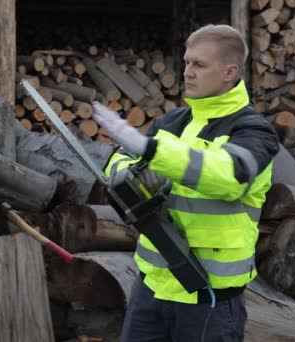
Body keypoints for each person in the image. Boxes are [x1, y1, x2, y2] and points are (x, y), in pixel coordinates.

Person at [92, 24, 280, 342]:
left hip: (210, 301)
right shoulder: (172, 122)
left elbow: (229, 175)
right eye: (186, 63)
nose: (187, 73)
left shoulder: (253, 131)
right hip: (151, 290)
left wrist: (152, 151)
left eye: (199, 65)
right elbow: (118, 159)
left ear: (229, 72)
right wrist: (127, 174)